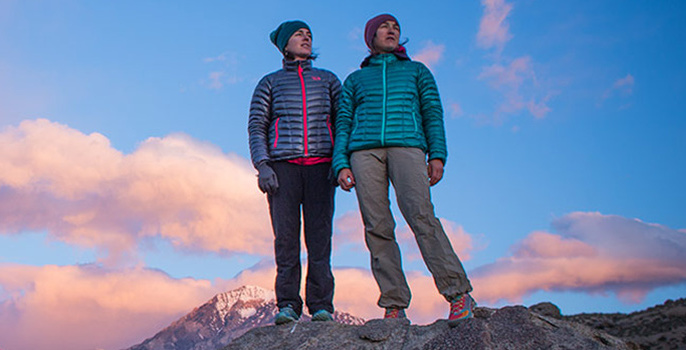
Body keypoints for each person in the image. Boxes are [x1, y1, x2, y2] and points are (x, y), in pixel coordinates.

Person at [332, 13, 475, 325]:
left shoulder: (417, 71)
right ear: (371, 37)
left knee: (421, 216)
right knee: (376, 226)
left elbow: (432, 113)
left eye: (395, 27)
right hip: (363, 153)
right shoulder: (355, 80)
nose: (392, 30)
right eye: (384, 26)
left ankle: (458, 294)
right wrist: (341, 163)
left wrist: (437, 155)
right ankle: (394, 303)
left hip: (408, 146)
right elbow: (342, 123)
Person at [248, 20, 341, 325]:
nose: (306, 38)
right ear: (284, 44)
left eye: (309, 35)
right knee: (285, 240)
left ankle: (322, 305)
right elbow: (257, 126)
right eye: (299, 34)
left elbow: (343, 124)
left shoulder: (328, 80)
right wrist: (263, 165)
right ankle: (287, 304)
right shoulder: (270, 83)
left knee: (320, 239)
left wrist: (340, 163)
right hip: (282, 169)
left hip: (321, 168)